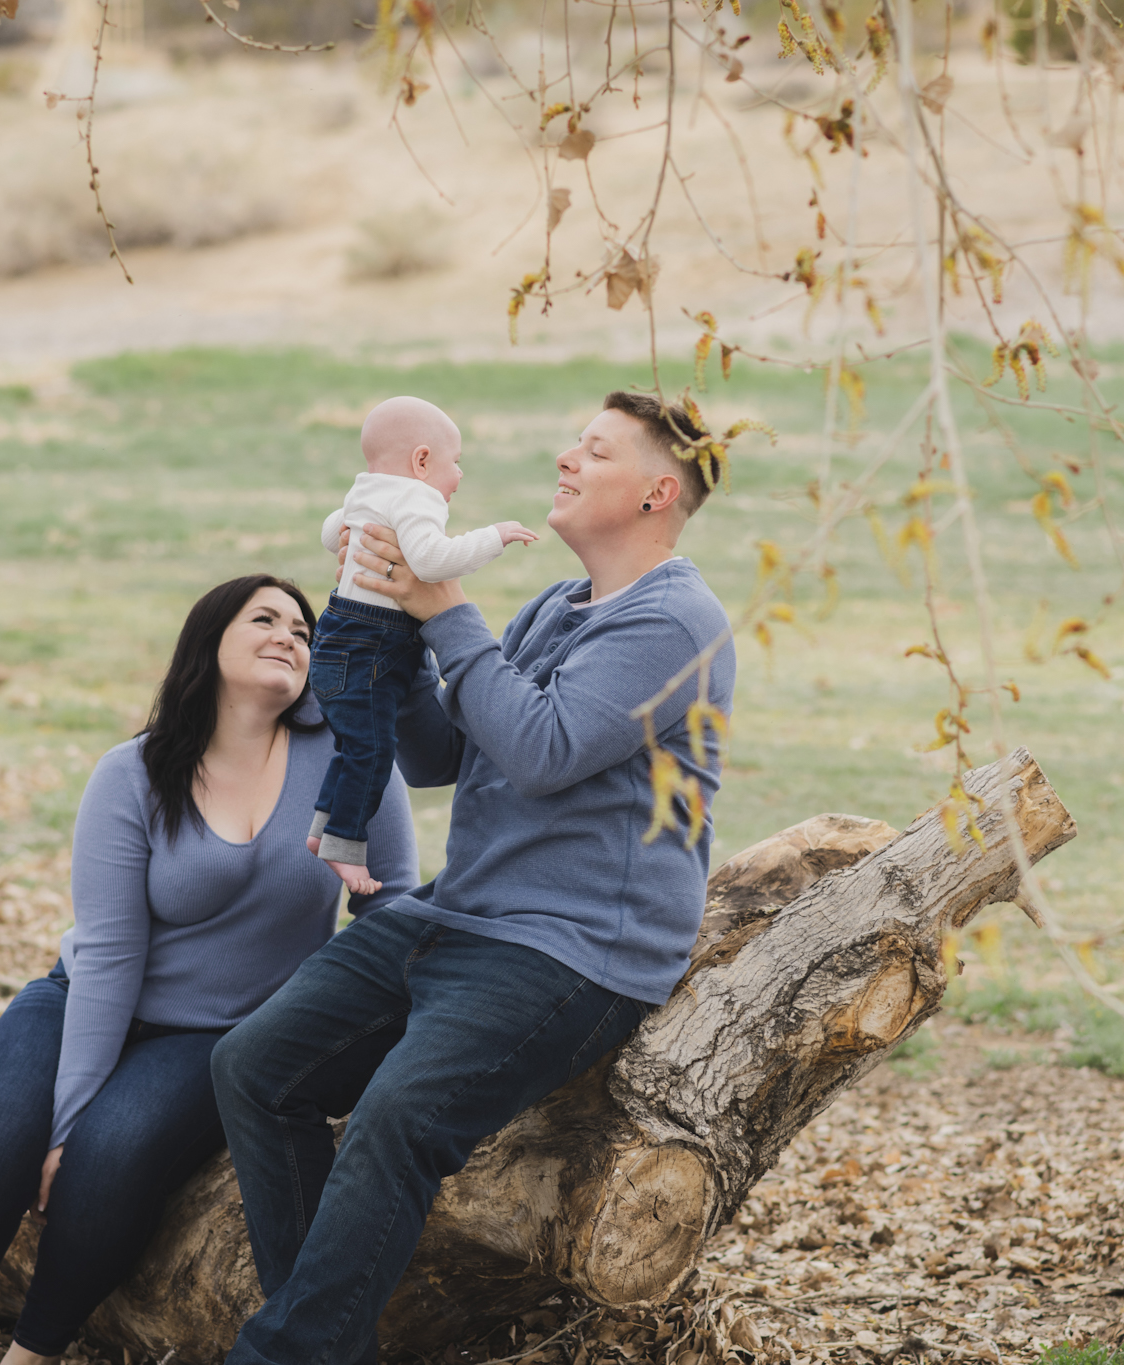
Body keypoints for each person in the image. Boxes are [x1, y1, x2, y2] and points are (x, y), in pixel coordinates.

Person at [211, 391, 737, 1365]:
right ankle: (323, 1343)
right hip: (462, 915)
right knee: (254, 1067)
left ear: (657, 492)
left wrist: (447, 611)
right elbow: (439, 755)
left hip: (571, 949)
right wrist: (390, 625)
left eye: (595, 450)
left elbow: (541, 750)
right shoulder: (555, 606)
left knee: (396, 1119)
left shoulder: (675, 622)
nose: (565, 457)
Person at [0, 575, 417, 1365]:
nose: (289, 636)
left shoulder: (353, 761)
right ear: (209, 642)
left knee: (107, 1159)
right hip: (83, 999)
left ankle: (29, 1354)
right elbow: (108, 954)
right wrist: (64, 1119)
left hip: (219, 1032)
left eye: (303, 631)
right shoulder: (134, 771)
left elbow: (392, 909)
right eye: (264, 618)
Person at [308, 395, 536, 894]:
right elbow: (431, 562)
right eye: (456, 462)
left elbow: (331, 533)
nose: (459, 475)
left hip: (338, 631)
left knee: (353, 742)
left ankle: (325, 828)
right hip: (373, 641)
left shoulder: (366, 489)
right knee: (372, 750)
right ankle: (345, 847)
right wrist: (493, 537)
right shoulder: (417, 497)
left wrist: (350, 535)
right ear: (422, 461)